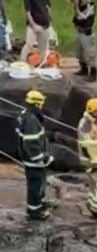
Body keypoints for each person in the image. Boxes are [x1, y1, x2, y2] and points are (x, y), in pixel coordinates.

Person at [16, 90, 55, 221]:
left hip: (36, 160)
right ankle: (34, 210)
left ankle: (41, 201)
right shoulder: (31, 120)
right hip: (33, 161)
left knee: (41, 181)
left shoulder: (26, 115)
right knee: (35, 183)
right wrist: (40, 157)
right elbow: (31, 143)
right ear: (37, 104)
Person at [21, 0, 51, 66]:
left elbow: (48, 7)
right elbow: (28, 12)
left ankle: (41, 65)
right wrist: (34, 26)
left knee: (44, 48)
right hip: (33, 26)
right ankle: (22, 64)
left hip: (45, 25)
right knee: (28, 44)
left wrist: (49, 21)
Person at [72, 0, 96, 81]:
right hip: (79, 31)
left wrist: (76, 6)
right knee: (79, 52)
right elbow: (76, 16)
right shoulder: (80, 5)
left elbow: (83, 17)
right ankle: (84, 69)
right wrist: (76, 5)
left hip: (87, 33)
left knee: (90, 54)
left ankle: (93, 74)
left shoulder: (91, 5)